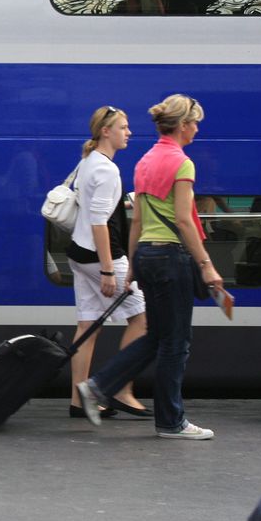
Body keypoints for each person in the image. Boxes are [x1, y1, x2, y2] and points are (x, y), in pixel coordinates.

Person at [78, 94, 221, 440]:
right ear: (183, 126)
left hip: (146, 255)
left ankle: (97, 386)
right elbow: (185, 220)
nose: (197, 129)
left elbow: (137, 220)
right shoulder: (182, 164)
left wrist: (132, 265)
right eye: (195, 123)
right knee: (177, 343)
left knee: (157, 335)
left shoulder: (144, 161)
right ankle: (171, 422)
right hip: (173, 258)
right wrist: (206, 264)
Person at [66, 106, 149, 419]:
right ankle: (119, 388)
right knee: (142, 318)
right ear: (106, 131)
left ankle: (78, 399)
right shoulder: (107, 170)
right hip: (102, 256)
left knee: (88, 324)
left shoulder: (88, 161)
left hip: (78, 251)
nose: (128, 133)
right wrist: (107, 269)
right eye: (123, 127)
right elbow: (100, 222)